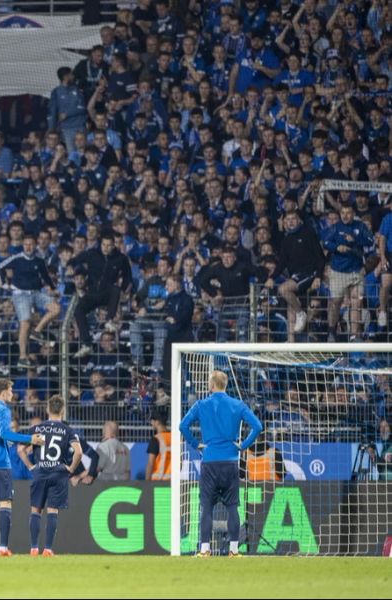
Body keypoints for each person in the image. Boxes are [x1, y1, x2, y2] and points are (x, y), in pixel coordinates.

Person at [179, 370, 263, 557]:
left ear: (211, 385)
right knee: (232, 506)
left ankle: (205, 550)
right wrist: (243, 446)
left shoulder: (201, 405)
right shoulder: (237, 405)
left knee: (207, 507)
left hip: (209, 462)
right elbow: (258, 426)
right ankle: (234, 550)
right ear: (225, 385)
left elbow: (182, 426)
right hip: (231, 462)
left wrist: (195, 444)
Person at [0, 378, 44, 557]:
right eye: (11, 390)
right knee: (5, 503)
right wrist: (30, 439)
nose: (13, 394)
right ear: (3, 392)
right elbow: (4, 433)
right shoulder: (3, 410)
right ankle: (3, 548)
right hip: (1, 464)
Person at [17, 394, 82, 556]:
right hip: (58, 473)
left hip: (40, 472)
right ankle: (47, 549)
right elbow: (79, 452)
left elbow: (20, 449)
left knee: (35, 510)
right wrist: (70, 469)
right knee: (52, 511)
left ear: (47, 409)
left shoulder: (37, 429)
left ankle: (33, 548)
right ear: (63, 410)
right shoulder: (67, 430)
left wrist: (31, 467)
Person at [0, 234, 60, 369]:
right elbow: (0, 267)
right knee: (25, 323)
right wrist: (4, 284)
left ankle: (37, 331)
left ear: (35, 245)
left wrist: (53, 289)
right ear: (23, 245)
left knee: (56, 309)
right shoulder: (16, 258)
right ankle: (23, 357)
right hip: (21, 294)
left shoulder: (39, 260)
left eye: (31, 244)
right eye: (26, 244)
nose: (28, 247)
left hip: (36, 293)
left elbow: (46, 276)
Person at [322, 203, 373, 341]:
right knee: (336, 302)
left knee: (357, 303)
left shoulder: (360, 226)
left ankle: (355, 336)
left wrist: (355, 239)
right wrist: (337, 247)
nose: (345, 215)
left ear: (353, 214)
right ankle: (332, 330)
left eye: (348, 212)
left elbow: (370, 241)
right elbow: (325, 242)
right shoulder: (336, 227)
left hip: (356, 271)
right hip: (338, 271)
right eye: (342, 212)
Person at [275, 210, 324, 337]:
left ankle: (301, 313)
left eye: (293, 218)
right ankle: (291, 346)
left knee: (283, 289)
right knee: (291, 307)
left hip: (310, 274)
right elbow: (281, 263)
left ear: (299, 221)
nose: (291, 222)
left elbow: (320, 257)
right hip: (296, 277)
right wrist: (271, 277)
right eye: (288, 219)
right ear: (285, 222)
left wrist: (318, 276)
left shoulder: (308, 234)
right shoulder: (286, 240)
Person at [146, 409, 171, 481]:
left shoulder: (156, 439)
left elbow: (150, 463)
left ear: (157, 422)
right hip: (172, 483)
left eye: (152, 420)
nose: (151, 422)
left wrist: (146, 482)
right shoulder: (175, 438)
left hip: (158, 482)